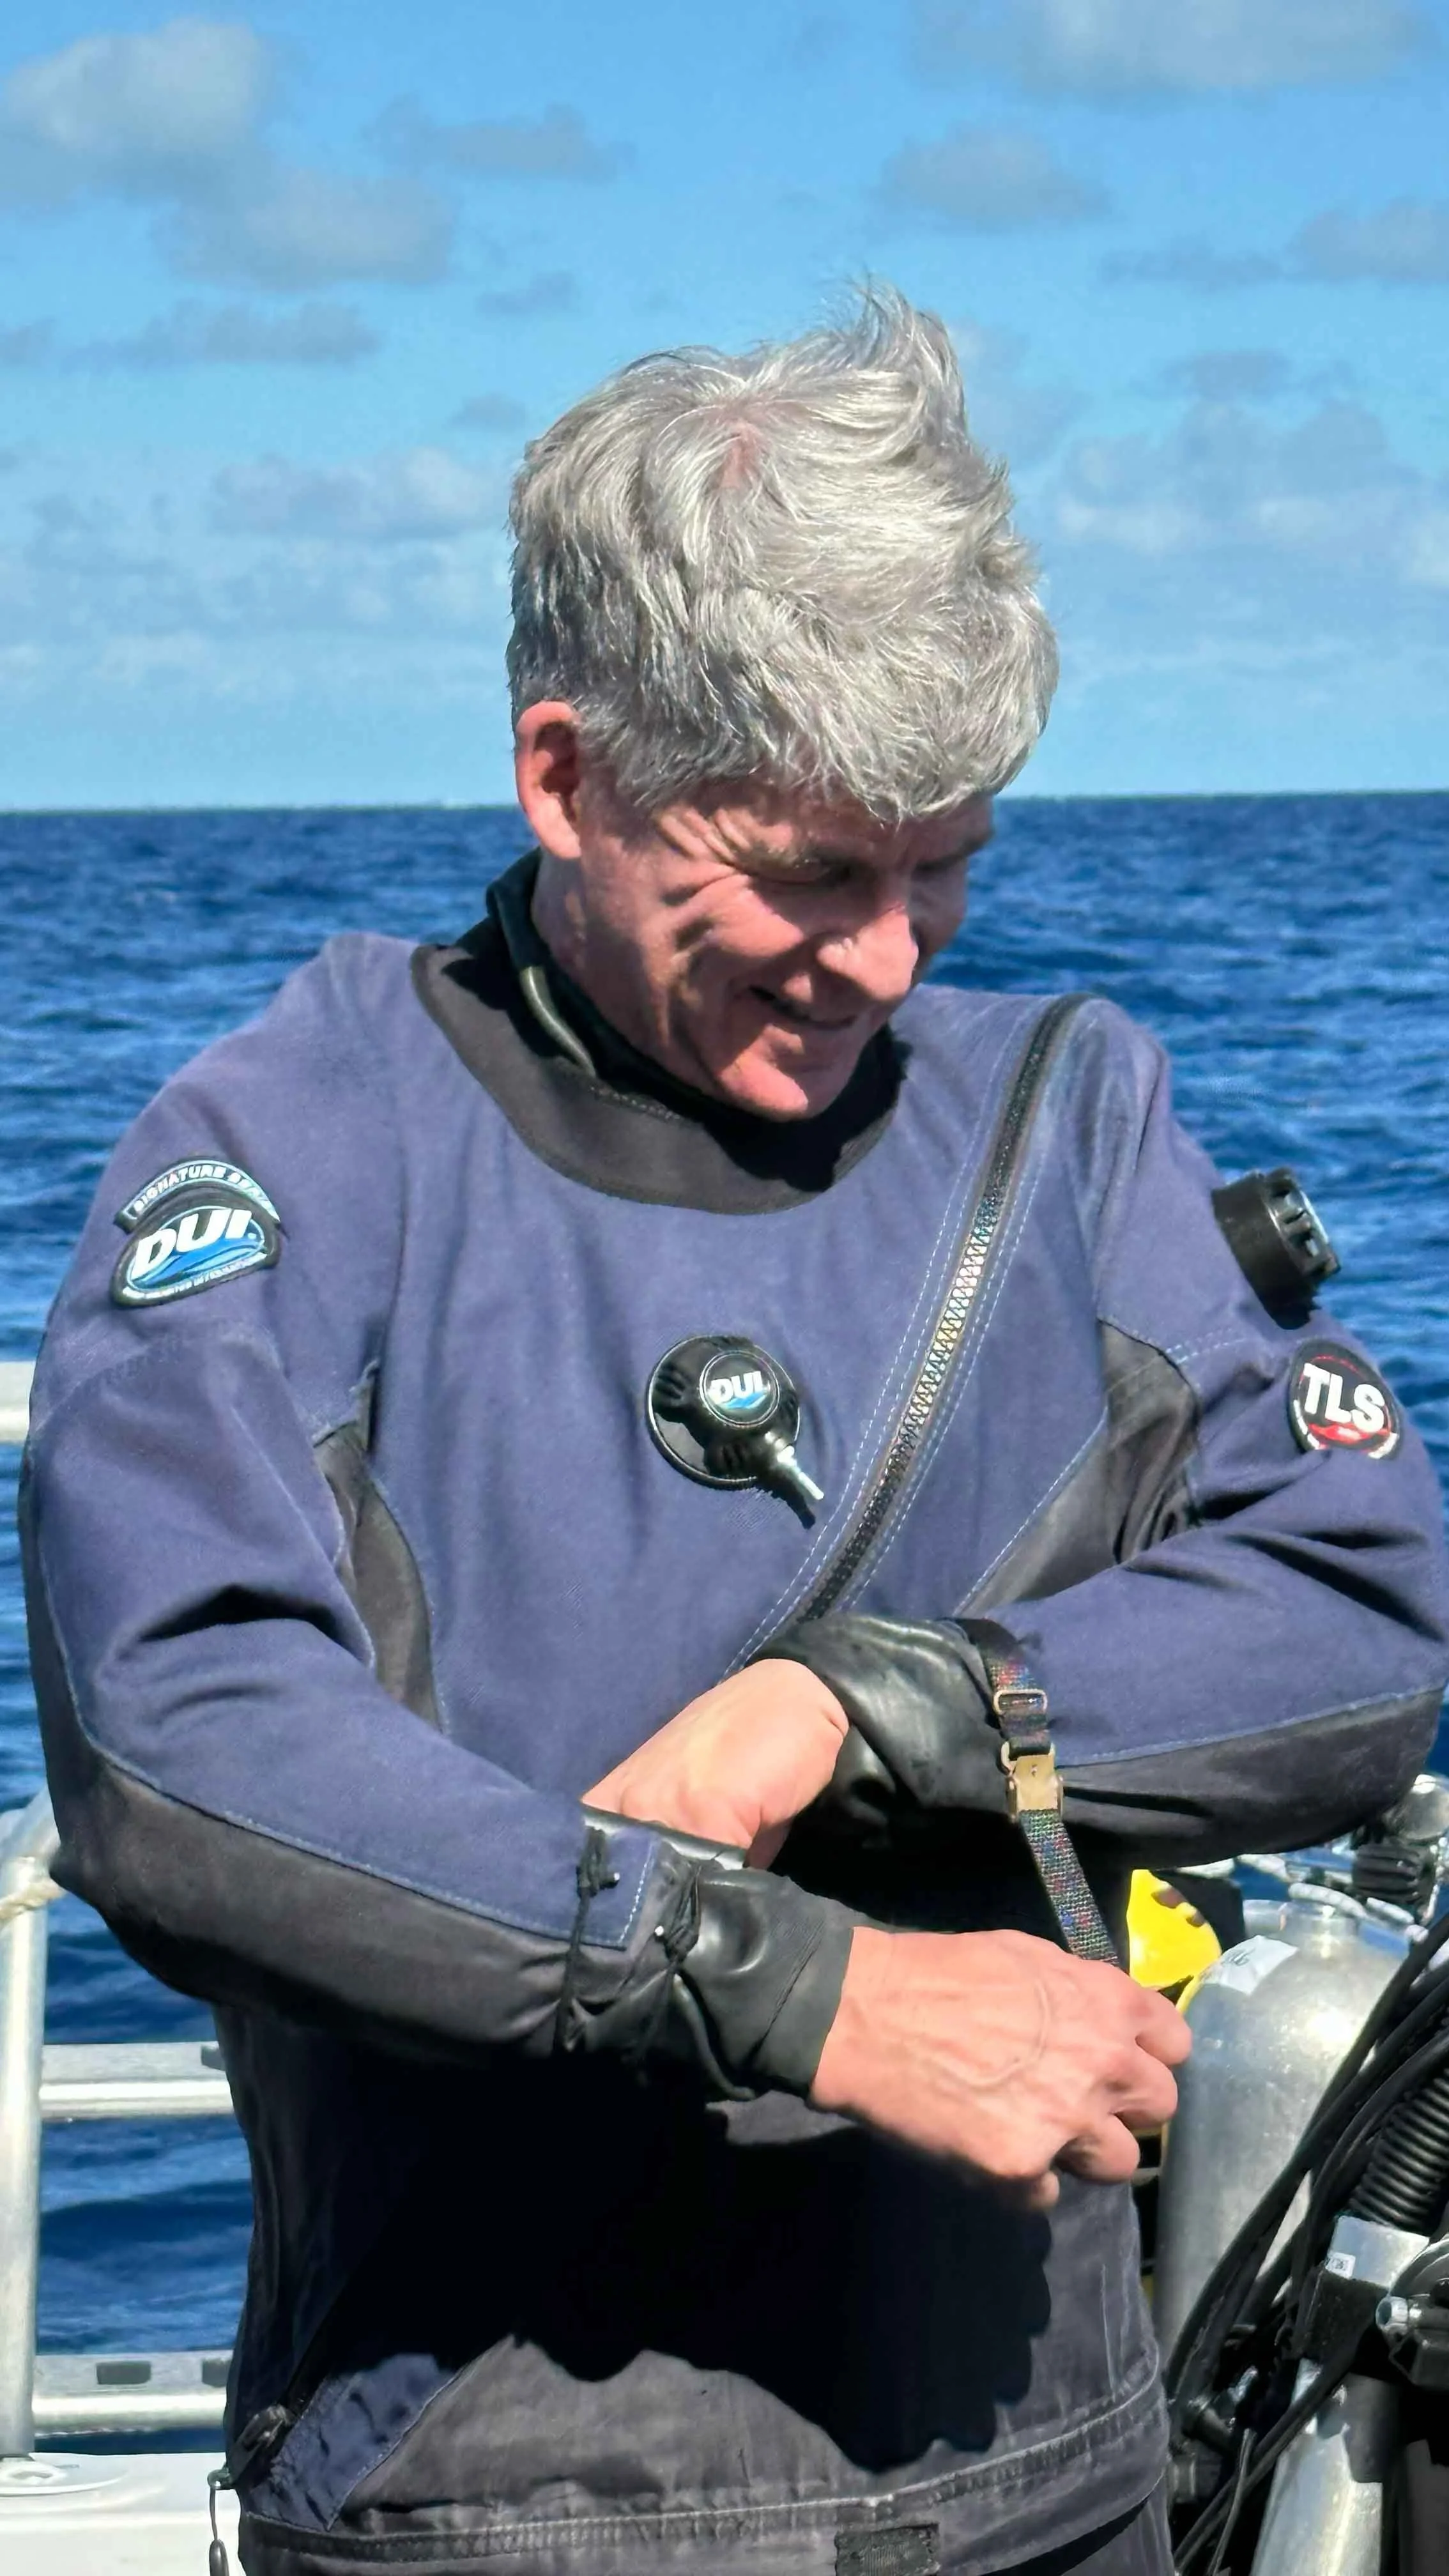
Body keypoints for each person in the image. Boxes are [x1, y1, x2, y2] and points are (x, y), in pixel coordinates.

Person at [20, 289, 1448, 2576]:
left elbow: (1352, 1615)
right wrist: (796, 1987)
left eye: (942, 864)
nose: (883, 958)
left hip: (1047, 2475)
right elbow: (181, 1747)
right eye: (805, 870)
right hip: (486, 2499)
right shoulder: (297, 1143)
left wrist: (874, 1706)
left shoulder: (1070, 1122)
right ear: (565, 776)